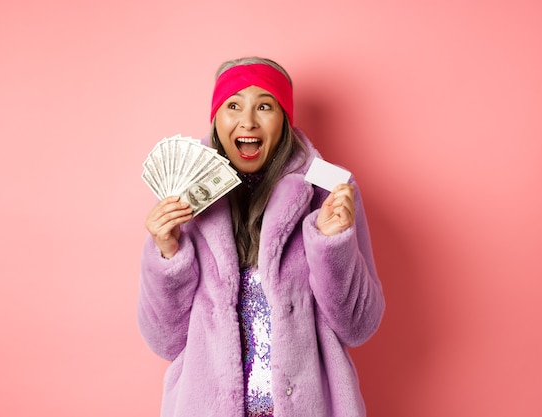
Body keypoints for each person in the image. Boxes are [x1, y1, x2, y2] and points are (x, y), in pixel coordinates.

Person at [138, 56, 385, 417]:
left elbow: (359, 326)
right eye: (233, 105)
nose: (248, 120)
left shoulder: (329, 187)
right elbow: (165, 341)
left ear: (284, 118)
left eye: (265, 106)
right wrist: (167, 254)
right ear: (217, 119)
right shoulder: (184, 195)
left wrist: (332, 246)